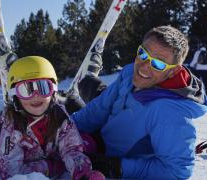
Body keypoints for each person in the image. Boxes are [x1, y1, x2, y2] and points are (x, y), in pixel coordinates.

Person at [69, 25, 207, 179]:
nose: (144, 66)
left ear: (173, 71)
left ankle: (84, 83)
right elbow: (99, 108)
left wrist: (118, 167)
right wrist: (63, 129)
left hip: (111, 153)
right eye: (143, 53)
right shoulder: (131, 72)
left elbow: (177, 172)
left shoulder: (168, 114)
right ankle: (88, 78)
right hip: (110, 123)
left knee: (70, 102)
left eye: (158, 64)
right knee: (89, 93)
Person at [0, 56, 105, 180]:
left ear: (53, 92)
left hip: (55, 152)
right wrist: (51, 166)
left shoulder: (60, 117)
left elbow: (72, 150)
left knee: (88, 143)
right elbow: (11, 173)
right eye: (26, 90)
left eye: (43, 87)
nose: (36, 96)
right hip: (36, 161)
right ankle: (4, 153)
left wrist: (82, 173)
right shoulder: (12, 128)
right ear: (14, 95)